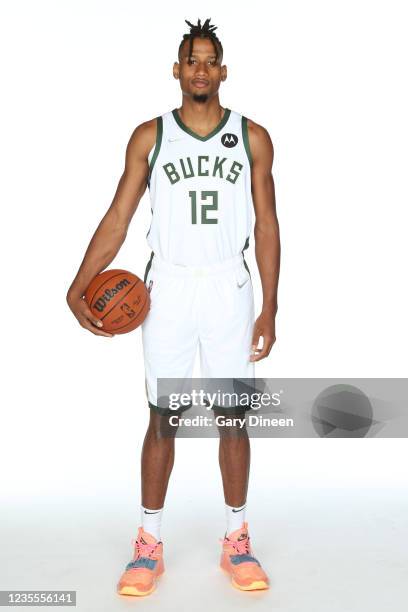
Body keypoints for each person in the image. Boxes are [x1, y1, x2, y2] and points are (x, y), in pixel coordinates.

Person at [66, 17, 280, 596]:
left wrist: (270, 306)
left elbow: (266, 226)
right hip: (169, 290)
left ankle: (236, 540)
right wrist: (78, 284)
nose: (202, 69)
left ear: (224, 70)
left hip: (229, 289)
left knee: (233, 418)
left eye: (211, 60)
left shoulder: (252, 135)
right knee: (164, 418)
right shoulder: (151, 136)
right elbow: (119, 218)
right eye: (193, 60)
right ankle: (148, 546)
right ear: (178, 69)